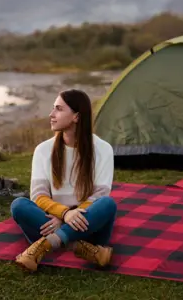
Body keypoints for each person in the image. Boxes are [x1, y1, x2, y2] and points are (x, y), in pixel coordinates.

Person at [10, 89, 116, 272]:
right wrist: (65, 214)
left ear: (76, 116)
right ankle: (80, 248)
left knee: (107, 204)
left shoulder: (103, 149)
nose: (51, 115)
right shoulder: (43, 150)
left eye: (58, 109)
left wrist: (67, 218)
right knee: (19, 205)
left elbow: (99, 196)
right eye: (53, 108)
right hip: (55, 219)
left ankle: (46, 244)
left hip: (88, 226)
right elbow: (39, 197)